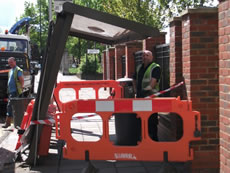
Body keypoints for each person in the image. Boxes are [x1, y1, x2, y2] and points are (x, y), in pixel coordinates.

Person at [133, 50, 161, 141]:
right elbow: (134, 79)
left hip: (151, 98)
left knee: (152, 120)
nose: (145, 57)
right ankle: (143, 138)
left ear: (151, 57)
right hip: (140, 97)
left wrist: (145, 91)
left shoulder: (155, 67)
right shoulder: (139, 67)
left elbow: (153, 83)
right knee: (140, 118)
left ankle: (153, 139)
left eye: (147, 55)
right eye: (143, 55)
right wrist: (136, 90)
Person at [3, 57, 24, 128]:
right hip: (11, 91)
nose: (10, 64)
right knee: (12, 106)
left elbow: (21, 79)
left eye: (11, 62)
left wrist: (21, 87)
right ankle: (14, 122)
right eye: (9, 63)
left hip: (15, 91)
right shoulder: (11, 70)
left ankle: (8, 122)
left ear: (15, 62)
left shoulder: (18, 70)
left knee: (10, 106)